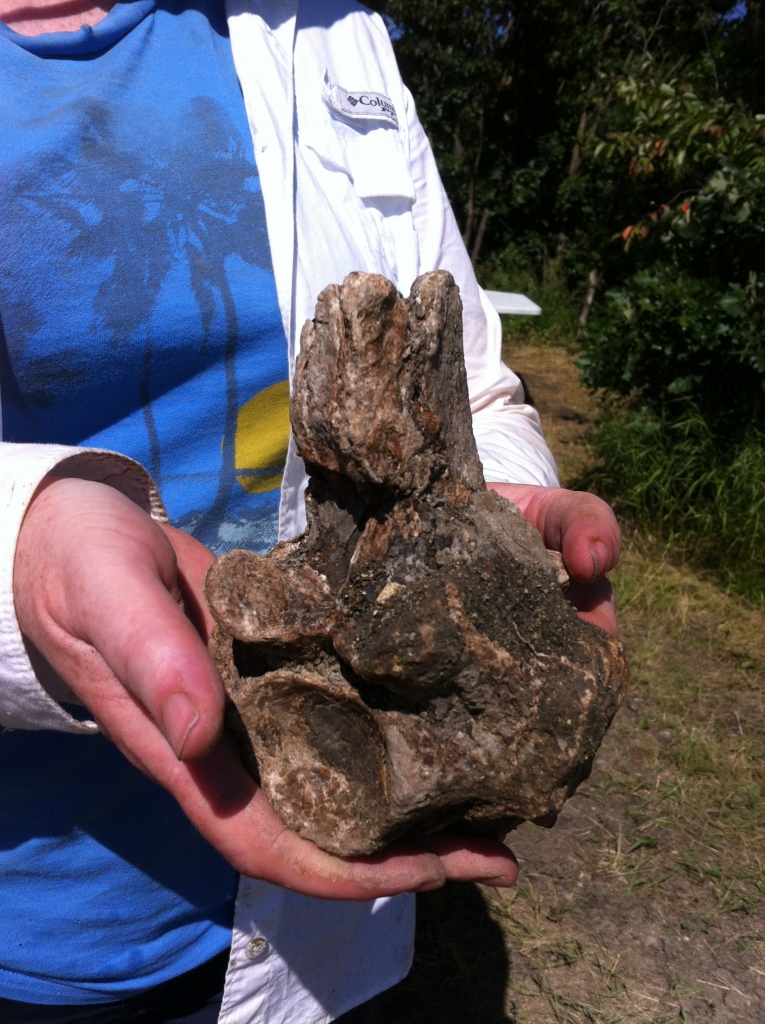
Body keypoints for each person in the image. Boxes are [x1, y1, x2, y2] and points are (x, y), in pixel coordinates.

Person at [0, 0, 621, 1020]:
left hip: (310, 904)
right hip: (39, 909)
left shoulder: (331, 26)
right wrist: (26, 546)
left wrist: (493, 509)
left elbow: (464, 384)